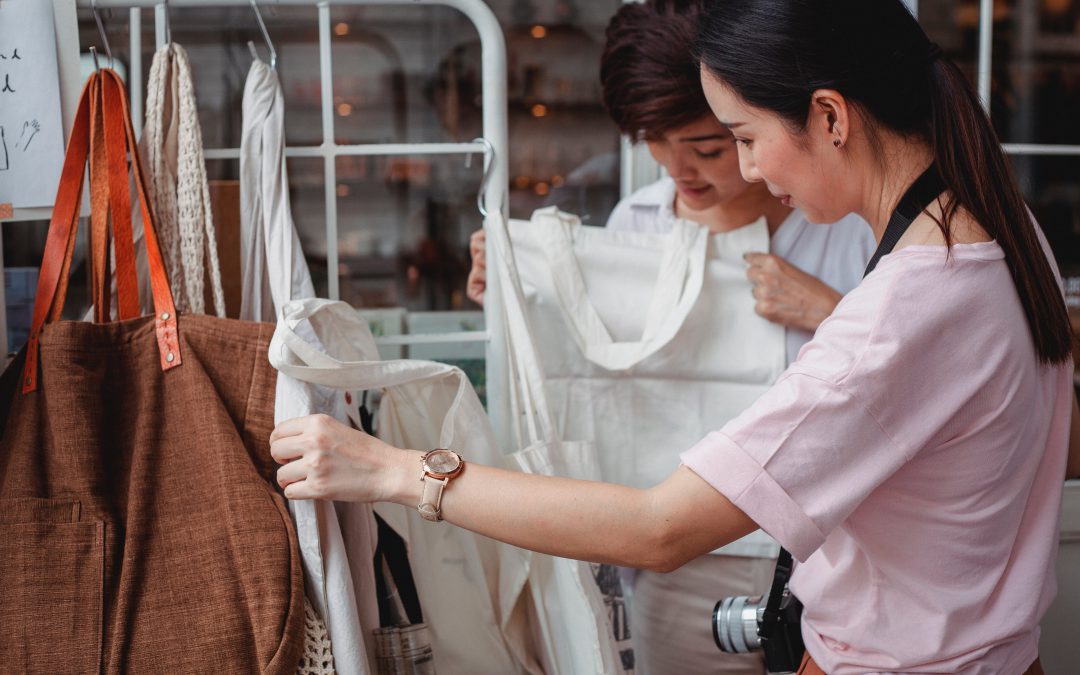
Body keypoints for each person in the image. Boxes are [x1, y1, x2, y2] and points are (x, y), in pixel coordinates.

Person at [271, 0, 1080, 672]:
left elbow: (660, 528)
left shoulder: (902, 311)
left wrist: (398, 470)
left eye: (743, 137)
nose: (750, 170)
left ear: (829, 117)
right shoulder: (999, 233)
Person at [473, 4, 875, 671]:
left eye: (709, 146)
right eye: (653, 144)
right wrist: (515, 290)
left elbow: (912, 383)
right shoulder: (637, 224)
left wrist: (828, 311)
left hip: (833, 553)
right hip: (681, 554)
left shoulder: (843, 228)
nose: (677, 169)